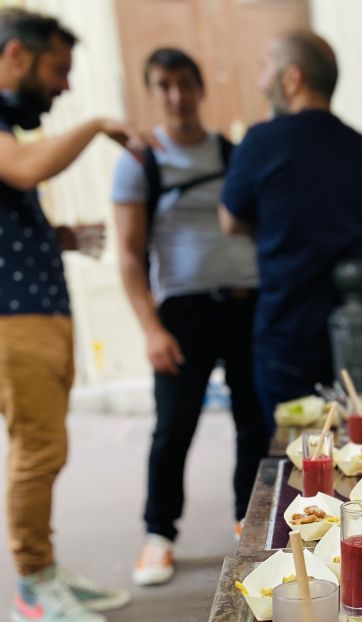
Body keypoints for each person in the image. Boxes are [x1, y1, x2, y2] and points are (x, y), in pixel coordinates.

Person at [0, 10, 146, 622]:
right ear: (13, 57)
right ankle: (33, 585)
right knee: (39, 449)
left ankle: (49, 570)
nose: (61, 87)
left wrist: (52, 236)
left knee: (46, 446)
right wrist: (96, 123)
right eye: (57, 71)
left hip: (35, 307)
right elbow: (24, 169)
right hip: (14, 315)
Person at [112, 48, 267, 587]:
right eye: (164, 85)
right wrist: (151, 328)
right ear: (154, 93)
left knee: (254, 421)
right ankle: (159, 533)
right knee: (174, 427)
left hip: (247, 303)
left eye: (185, 84)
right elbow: (129, 254)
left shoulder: (231, 152)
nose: (177, 96)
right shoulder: (140, 161)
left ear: (201, 89)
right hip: (182, 311)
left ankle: (248, 521)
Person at [219, 30, 362, 421]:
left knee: (295, 459)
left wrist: (271, 229)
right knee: (360, 455)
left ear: (292, 78)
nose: (261, 83)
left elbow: (230, 221)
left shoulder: (262, 143)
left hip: (289, 330)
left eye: (265, 70)